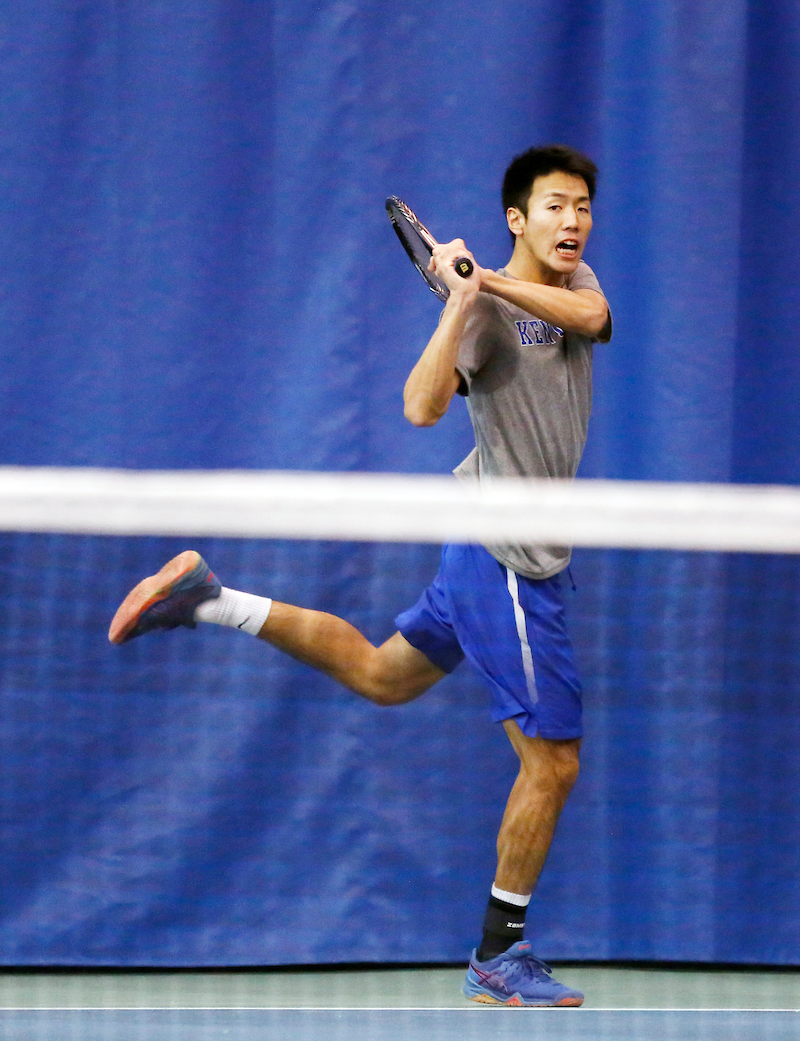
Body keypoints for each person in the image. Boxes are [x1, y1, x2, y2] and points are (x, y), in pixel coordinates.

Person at [109, 144, 611, 1008]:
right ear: (516, 218)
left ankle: (212, 602)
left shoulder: (576, 285)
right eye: (555, 208)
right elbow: (420, 408)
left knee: (383, 676)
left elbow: (591, 320)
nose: (573, 222)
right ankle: (500, 953)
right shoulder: (485, 316)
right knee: (554, 763)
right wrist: (463, 303)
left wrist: (482, 279)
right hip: (502, 557)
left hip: (505, 551)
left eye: (581, 207)